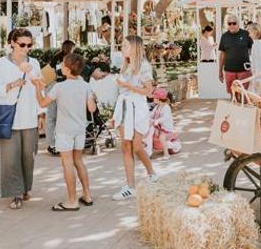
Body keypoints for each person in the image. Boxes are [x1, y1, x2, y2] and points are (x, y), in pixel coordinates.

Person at [34, 53, 95, 211]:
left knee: (67, 163)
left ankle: (72, 200)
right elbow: (92, 108)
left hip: (64, 131)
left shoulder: (59, 87)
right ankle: (87, 195)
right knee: (78, 161)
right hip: (80, 130)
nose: (60, 65)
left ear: (67, 69)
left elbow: (42, 102)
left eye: (62, 64)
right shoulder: (85, 86)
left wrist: (37, 88)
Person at [0, 29, 42, 210]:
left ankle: (26, 188)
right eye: (22, 44)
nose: (26, 48)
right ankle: (16, 193)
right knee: (10, 158)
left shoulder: (34, 63)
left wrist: (41, 113)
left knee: (29, 156)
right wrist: (12, 85)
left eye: (29, 45)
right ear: (12, 42)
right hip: (8, 116)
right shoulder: (2, 64)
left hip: (30, 115)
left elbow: (40, 89)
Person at [112, 35, 159, 201]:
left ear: (134, 47)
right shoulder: (126, 65)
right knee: (125, 146)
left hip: (136, 108)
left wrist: (127, 85)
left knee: (137, 147)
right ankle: (130, 186)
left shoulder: (143, 66)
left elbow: (148, 91)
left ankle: (152, 173)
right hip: (124, 108)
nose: (122, 47)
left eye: (125, 45)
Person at [45, 40, 106, 155]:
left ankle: (53, 144)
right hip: (72, 96)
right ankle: (71, 143)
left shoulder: (55, 59)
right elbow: (96, 76)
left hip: (56, 91)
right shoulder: (76, 64)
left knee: (53, 117)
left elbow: (48, 75)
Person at [219, 14, 254, 93]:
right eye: (229, 23)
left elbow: (253, 50)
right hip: (229, 71)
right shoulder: (224, 36)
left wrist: (254, 66)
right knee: (233, 95)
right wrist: (220, 71)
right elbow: (222, 54)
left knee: (244, 95)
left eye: (234, 23)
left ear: (238, 23)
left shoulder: (245, 34)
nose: (232, 25)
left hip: (244, 70)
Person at [149, 88, 181, 158]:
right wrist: (147, 117)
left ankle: (166, 154)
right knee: (151, 134)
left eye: (154, 97)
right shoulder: (157, 107)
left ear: (158, 98)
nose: (153, 99)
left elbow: (165, 118)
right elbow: (152, 114)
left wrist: (157, 121)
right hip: (158, 127)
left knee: (161, 137)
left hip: (166, 129)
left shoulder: (166, 107)